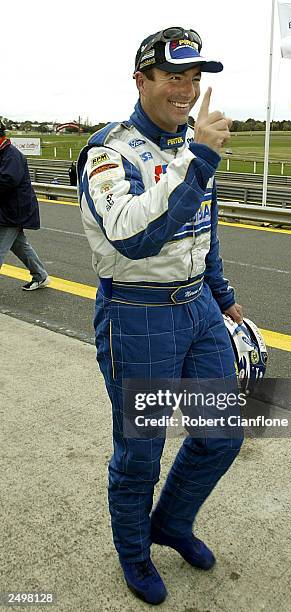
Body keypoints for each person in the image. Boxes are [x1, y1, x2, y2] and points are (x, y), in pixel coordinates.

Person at [77, 27, 244, 605]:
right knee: (141, 451)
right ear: (141, 79)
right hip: (137, 315)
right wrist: (199, 157)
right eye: (174, 76)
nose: (187, 88)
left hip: (198, 310)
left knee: (222, 435)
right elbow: (136, 237)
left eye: (194, 78)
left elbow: (206, 228)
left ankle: (170, 523)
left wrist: (222, 295)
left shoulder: (192, 146)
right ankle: (134, 553)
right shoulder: (108, 150)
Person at [0, 121, 49, 290]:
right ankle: (40, 276)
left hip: (13, 213)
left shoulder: (11, 155)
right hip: (7, 211)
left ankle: (40, 276)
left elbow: (7, 181)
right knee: (20, 246)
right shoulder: (3, 153)